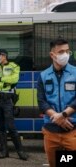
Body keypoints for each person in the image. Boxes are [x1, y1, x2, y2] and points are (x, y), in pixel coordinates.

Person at [37, 38, 76, 167]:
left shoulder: (75, 73)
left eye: (67, 51)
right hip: (51, 131)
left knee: (67, 163)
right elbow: (41, 101)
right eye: (61, 52)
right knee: (53, 164)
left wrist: (63, 115)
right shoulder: (43, 75)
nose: (65, 55)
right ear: (52, 55)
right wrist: (57, 117)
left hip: (71, 130)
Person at [0, 49, 28, 160]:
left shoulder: (14, 66)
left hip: (7, 101)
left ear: (4, 56)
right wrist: (6, 82)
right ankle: (4, 151)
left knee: (11, 127)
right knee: (0, 127)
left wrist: (0, 79)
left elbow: (14, 79)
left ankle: (20, 152)